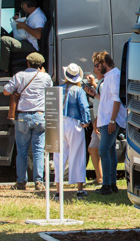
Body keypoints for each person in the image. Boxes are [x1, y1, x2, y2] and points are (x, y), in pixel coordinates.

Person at [2, 52, 53, 191]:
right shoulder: (46, 77)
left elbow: (6, 91)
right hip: (39, 116)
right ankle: (39, 181)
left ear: (28, 63)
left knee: (22, 151)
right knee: (38, 151)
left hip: (23, 117)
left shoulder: (20, 76)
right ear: (40, 65)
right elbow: (50, 90)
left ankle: (21, 181)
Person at [85, 50, 126, 195]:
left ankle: (107, 184)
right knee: (109, 151)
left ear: (103, 63)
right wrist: (94, 94)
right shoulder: (110, 76)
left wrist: (113, 120)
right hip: (107, 118)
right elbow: (108, 99)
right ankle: (111, 183)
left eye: (97, 65)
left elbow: (116, 99)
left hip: (110, 119)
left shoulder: (114, 76)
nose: (96, 68)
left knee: (103, 150)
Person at [53, 63, 91, 198]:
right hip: (74, 123)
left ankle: (58, 190)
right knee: (78, 155)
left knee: (58, 156)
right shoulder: (79, 91)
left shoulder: (57, 89)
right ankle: (79, 189)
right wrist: (86, 121)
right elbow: (84, 107)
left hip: (58, 123)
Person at [0, 0, 47, 76]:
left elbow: (39, 35)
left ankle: (4, 71)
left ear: (25, 4)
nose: (22, 7)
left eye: (22, 4)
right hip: (27, 41)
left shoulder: (38, 16)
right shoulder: (32, 15)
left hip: (32, 45)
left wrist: (24, 26)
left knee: (4, 40)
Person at [83, 67, 103, 186]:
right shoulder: (100, 83)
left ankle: (103, 179)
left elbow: (106, 101)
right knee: (92, 148)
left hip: (101, 120)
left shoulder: (104, 82)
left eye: (96, 67)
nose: (94, 70)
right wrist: (93, 84)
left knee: (102, 150)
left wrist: (97, 119)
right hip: (98, 120)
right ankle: (99, 178)